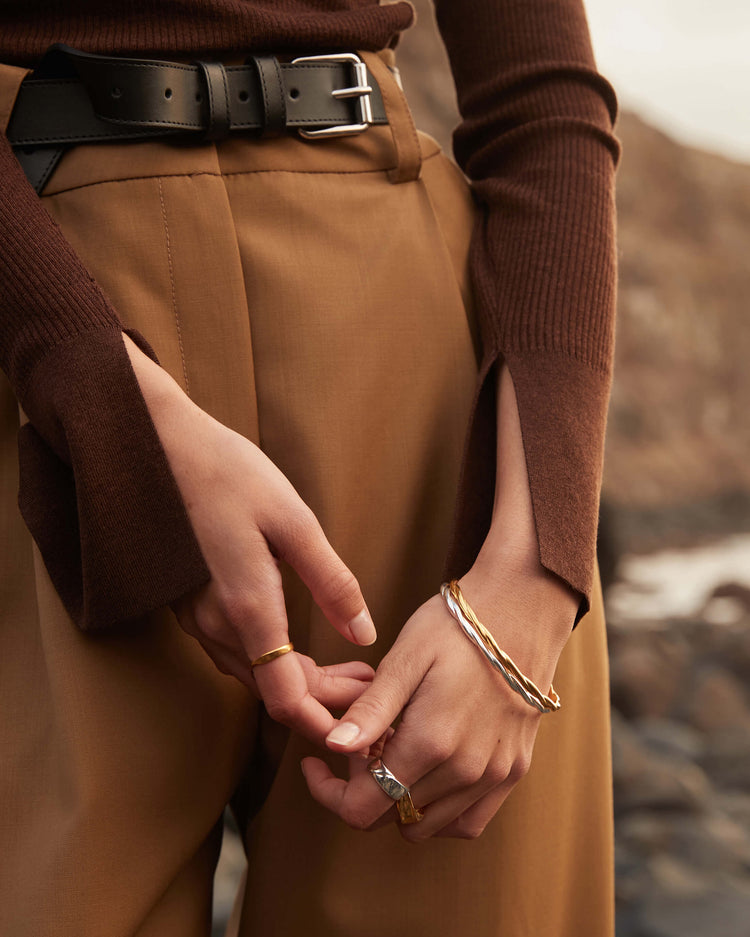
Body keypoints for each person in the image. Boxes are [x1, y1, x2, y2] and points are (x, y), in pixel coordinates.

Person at [0, 2, 620, 935]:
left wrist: (533, 574)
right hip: (39, 332)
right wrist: (104, 407)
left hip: (413, 370)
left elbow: (543, 99)